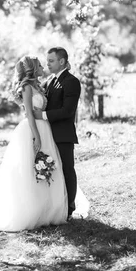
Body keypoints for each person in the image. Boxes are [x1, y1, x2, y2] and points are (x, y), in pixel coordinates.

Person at [0, 56, 68, 231]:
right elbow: (29, 114)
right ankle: (29, 212)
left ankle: (47, 211)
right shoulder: (26, 87)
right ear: (32, 68)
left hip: (45, 129)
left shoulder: (38, 85)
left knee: (46, 167)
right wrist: (36, 136)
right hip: (32, 130)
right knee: (30, 168)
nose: (42, 66)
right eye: (39, 65)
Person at [33, 47, 83, 219]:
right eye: (47, 61)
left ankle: (69, 208)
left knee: (67, 169)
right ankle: (56, 206)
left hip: (63, 134)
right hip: (47, 134)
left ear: (62, 61)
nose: (48, 63)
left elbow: (68, 111)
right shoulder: (49, 81)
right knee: (54, 171)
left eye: (51, 60)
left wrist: (43, 115)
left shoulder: (71, 82)